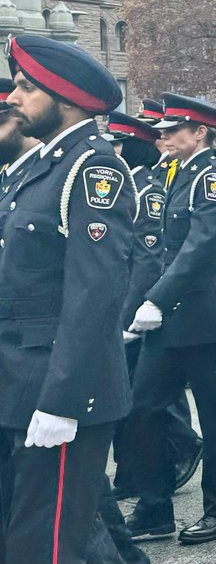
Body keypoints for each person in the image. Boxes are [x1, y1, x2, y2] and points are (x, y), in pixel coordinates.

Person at [0, 36, 133, 564]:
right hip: (17, 380)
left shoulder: (90, 171)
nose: (13, 97)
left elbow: (94, 295)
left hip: (58, 387)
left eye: (27, 88)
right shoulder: (34, 171)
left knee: (44, 545)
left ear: (67, 97)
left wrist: (61, 399)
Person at [123, 94, 216, 545]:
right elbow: (160, 248)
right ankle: (155, 507)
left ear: (199, 133)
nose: (165, 136)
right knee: (144, 408)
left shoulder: (213, 177)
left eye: (175, 130)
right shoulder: (174, 173)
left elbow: (200, 247)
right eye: (164, 130)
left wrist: (156, 300)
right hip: (169, 314)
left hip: (202, 313)